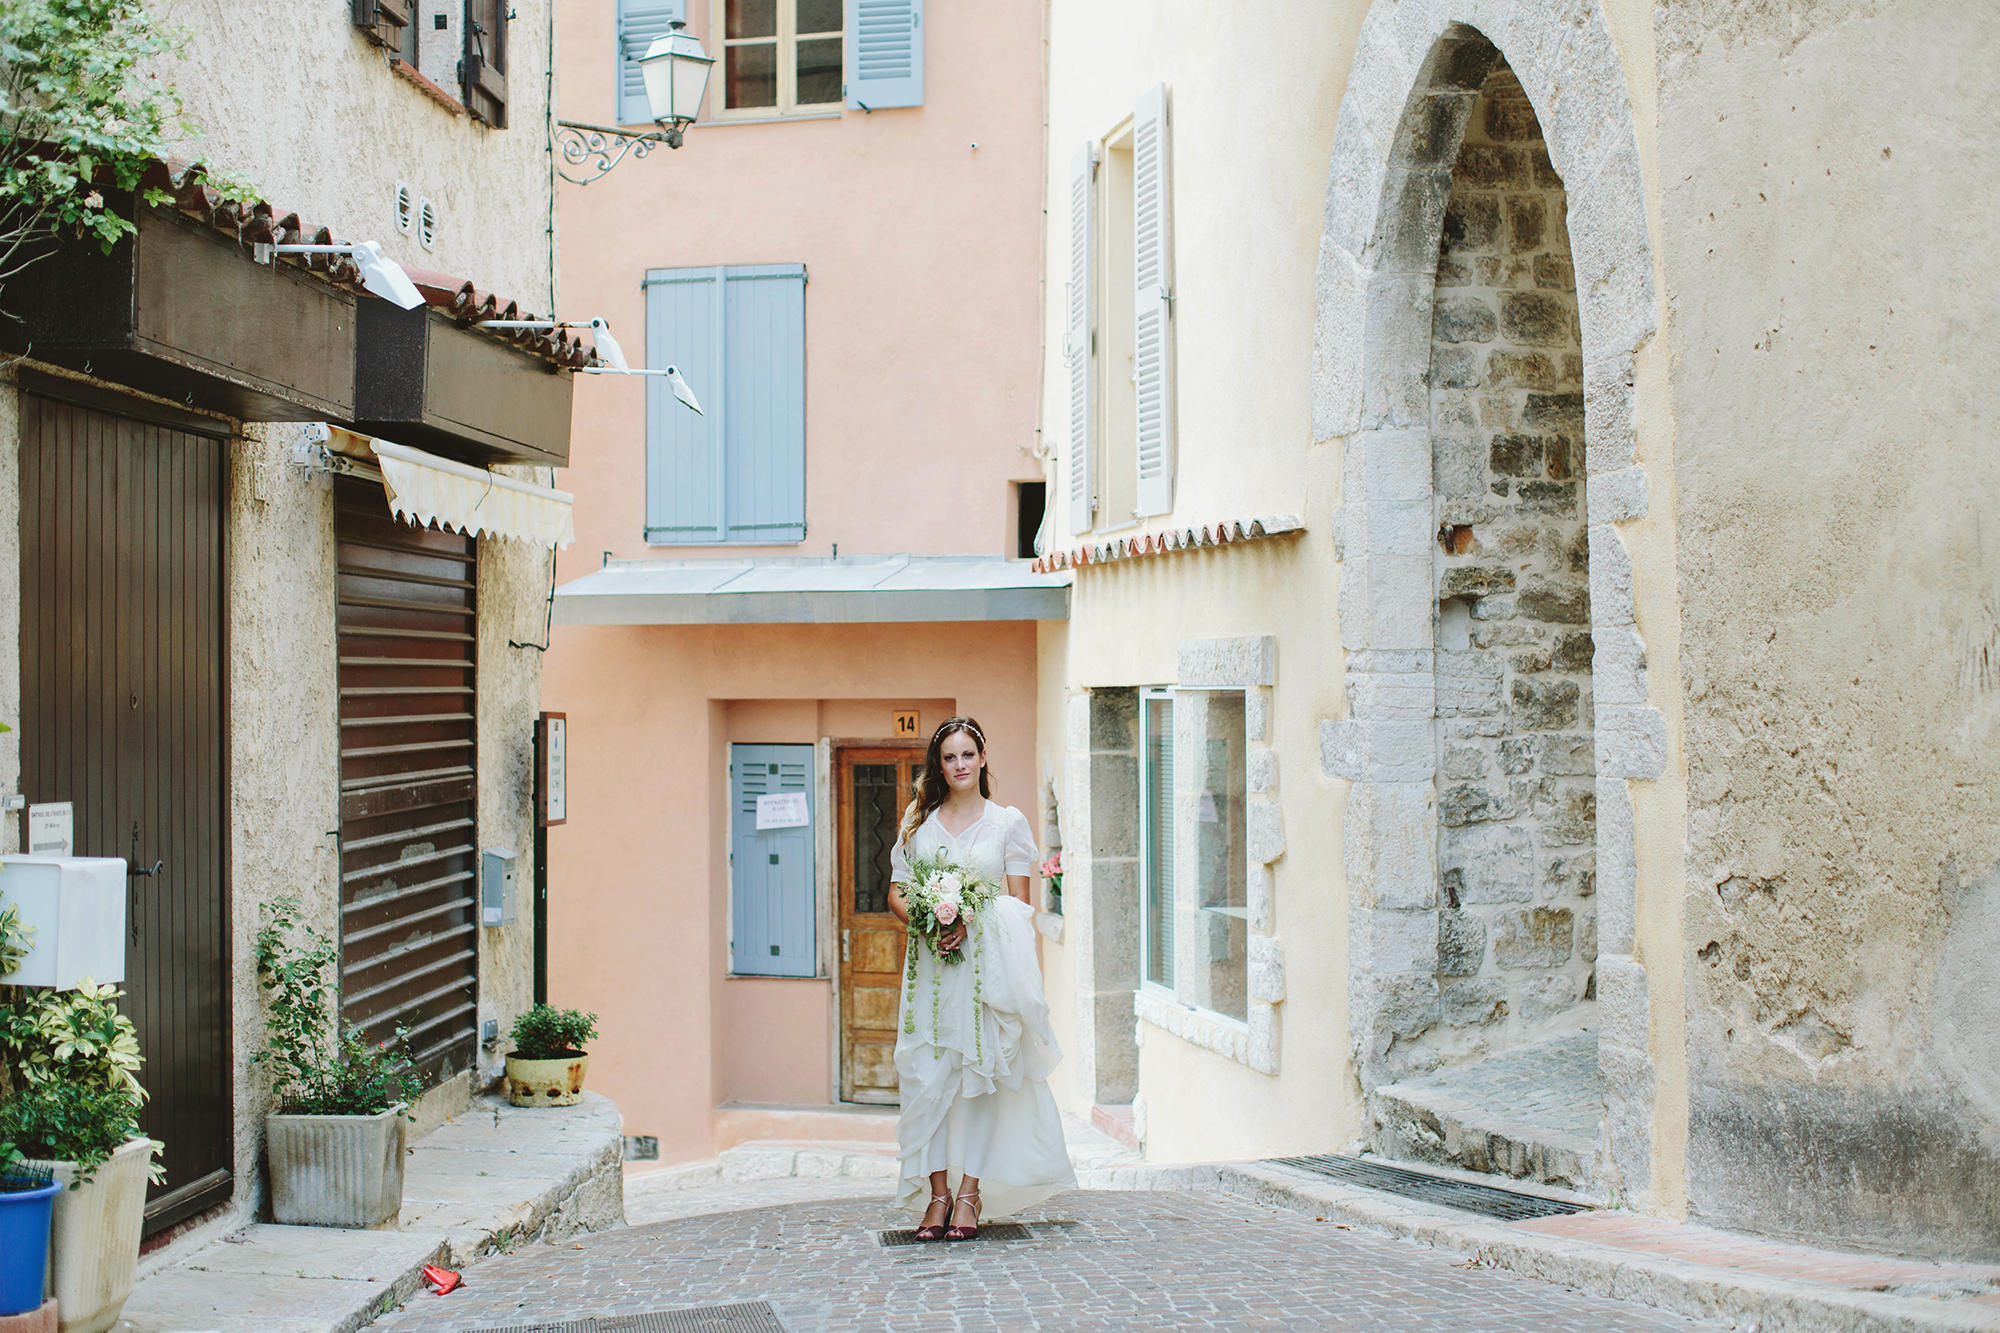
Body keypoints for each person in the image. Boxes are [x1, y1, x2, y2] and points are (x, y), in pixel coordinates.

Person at [889, 716, 1075, 1241]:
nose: (959, 765)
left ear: (983, 757)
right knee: (928, 1073)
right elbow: (897, 891)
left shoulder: (1007, 823)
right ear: (939, 765)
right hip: (930, 970)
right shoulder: (918, 824)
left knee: (978, 1079)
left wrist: (971, 919)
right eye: (949, 758)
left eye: (967, 754)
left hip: (984, 973)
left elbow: (1019, 903)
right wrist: (930, 922)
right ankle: (937, 1195)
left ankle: (969, 1195)